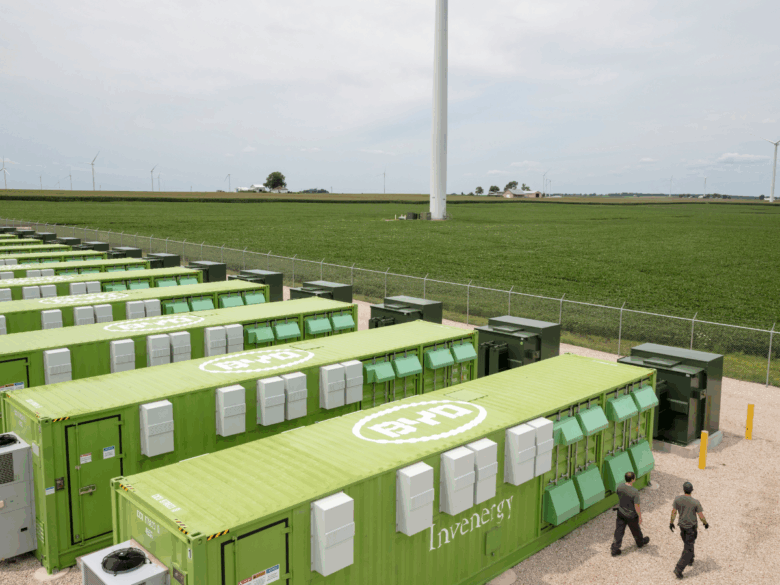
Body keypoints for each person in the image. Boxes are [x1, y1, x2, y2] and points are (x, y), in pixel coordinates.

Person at [670, 481, 709, 579]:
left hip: (682, 527)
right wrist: (705, 523)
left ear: (683, 489)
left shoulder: (677, 499)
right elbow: (700, 515)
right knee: (688, 549)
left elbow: (674, 512)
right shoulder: (695, 502)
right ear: (692, 490)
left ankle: (690, 560)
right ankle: (679, 569)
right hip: (691, 528)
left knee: (688, 543)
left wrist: (671, 522)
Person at [611, 471, 650, 556]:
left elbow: (619, 494)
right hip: (631, 515)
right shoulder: (634, 491)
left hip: (621, 513)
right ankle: (640, 543)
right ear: (632, 480)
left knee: (619, 531)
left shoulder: (620, 486)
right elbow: (637, 506)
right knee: (636, 530)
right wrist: (640, 517)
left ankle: (614, 549)